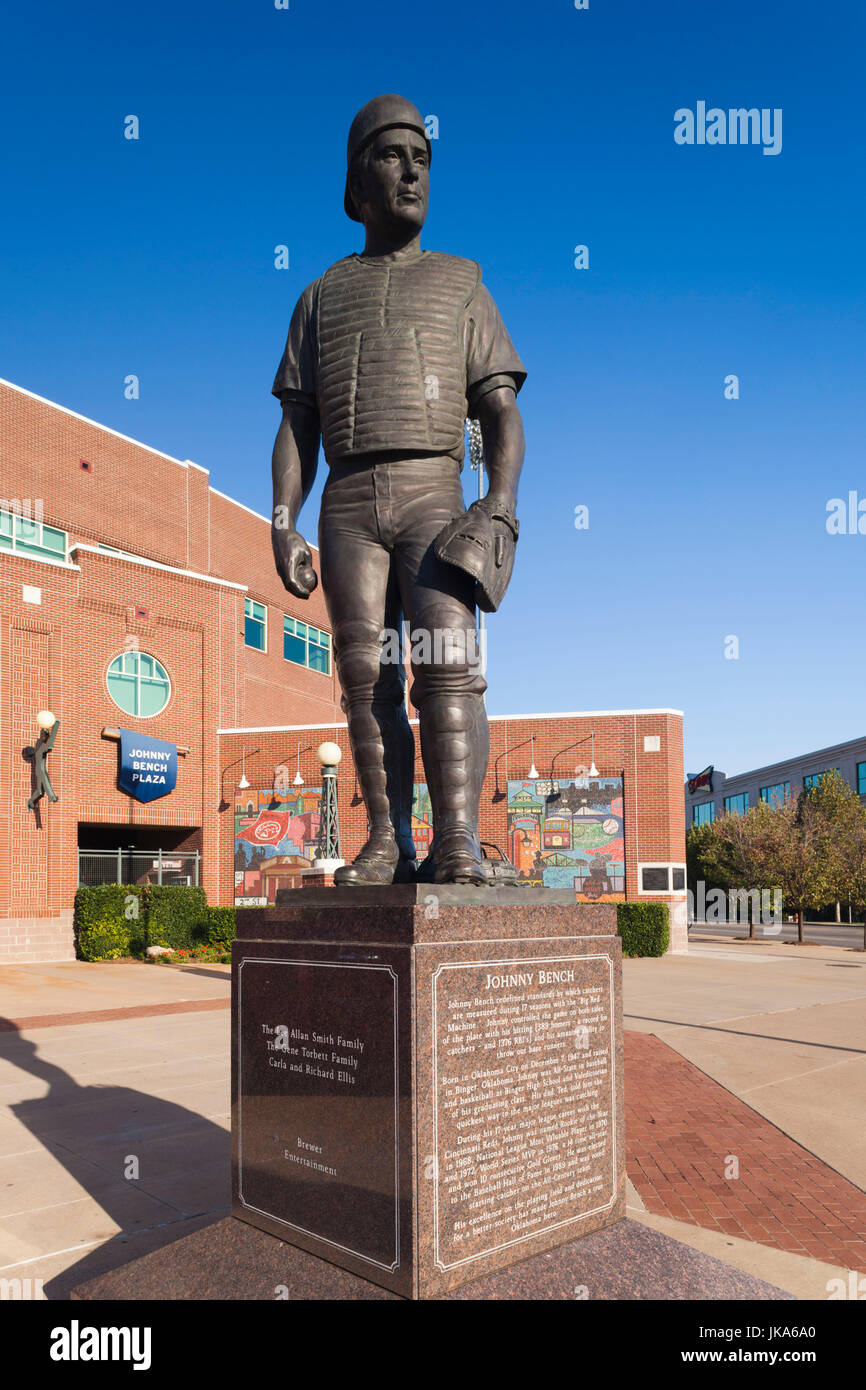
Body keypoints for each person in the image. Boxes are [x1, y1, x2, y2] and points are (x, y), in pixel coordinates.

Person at [271, 95, 526, 885]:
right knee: (366, 674)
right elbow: (297, 426)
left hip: (433, 493)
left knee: (444, 665)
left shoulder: (462, 286)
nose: (412, 168)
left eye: (421, 155)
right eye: (391, 154)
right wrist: (282, 521)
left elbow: (502, 412)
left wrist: (500, 503)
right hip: (346, 504)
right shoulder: (318, 298)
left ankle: (455, 837)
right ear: (357, 183)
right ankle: (388, 839)